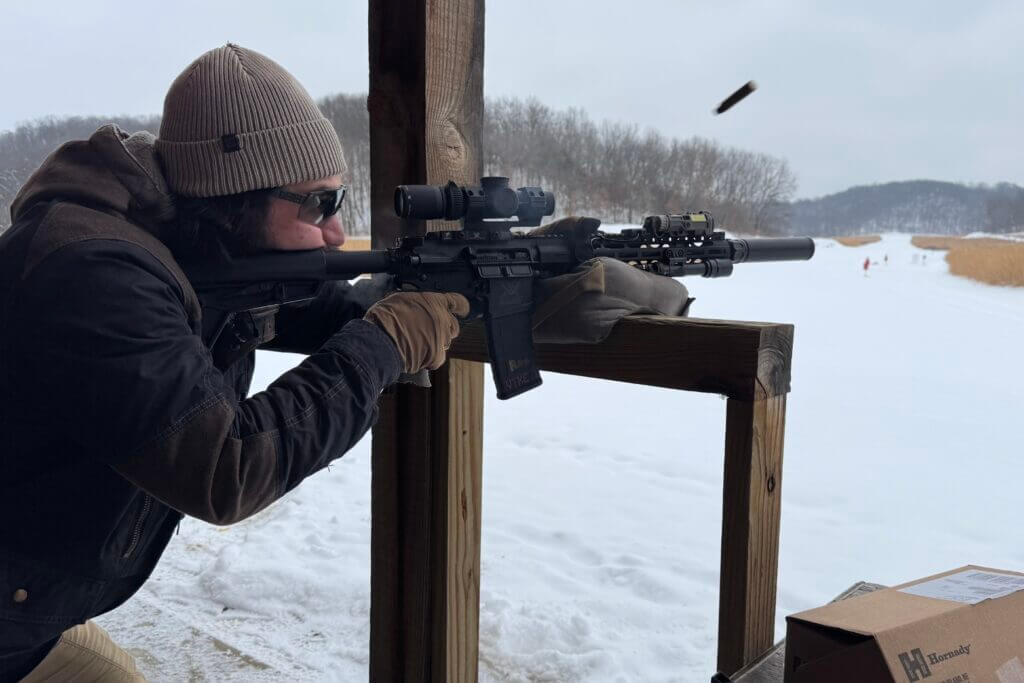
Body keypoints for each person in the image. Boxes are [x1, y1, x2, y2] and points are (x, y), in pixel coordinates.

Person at [0, 44, 691, 680]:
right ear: (236, 197)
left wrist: (507, 280)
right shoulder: (92, 274)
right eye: (320, 204)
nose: (336, 231)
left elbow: (336, 309)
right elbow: (225, 467)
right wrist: (385, 343)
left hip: (30, 618)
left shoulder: (200, 248)